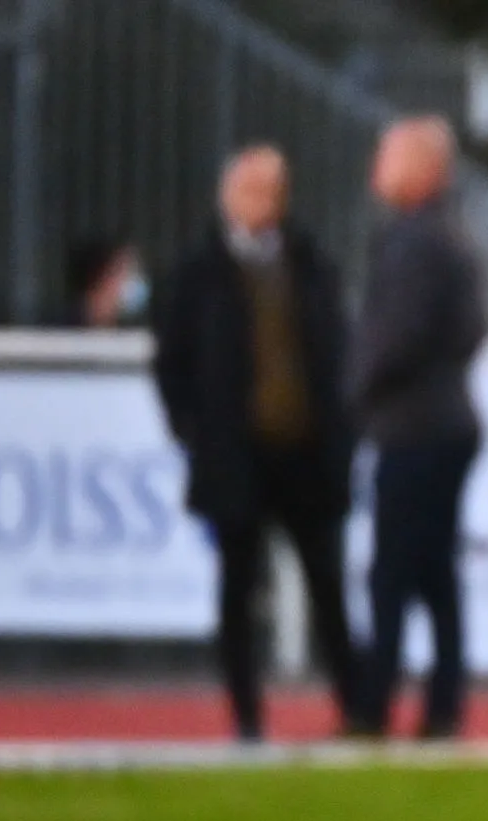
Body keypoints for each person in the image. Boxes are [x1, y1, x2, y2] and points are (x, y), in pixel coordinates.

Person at [150, 145, 360, 741]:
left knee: (328, 585)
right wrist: (197, 432)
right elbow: (172, 364)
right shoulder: (198, 273)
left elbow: (335, 348)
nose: (260, 203)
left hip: (305, 453)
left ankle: (357, 705)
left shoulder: (311, 262)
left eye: (270, 190)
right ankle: (246, 716)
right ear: (227, 197)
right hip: (235, 458)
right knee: (237, 590)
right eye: (249, 190)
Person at [351, 116, 488, 739]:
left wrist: (353, 389)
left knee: (394, 573)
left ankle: (375, 703)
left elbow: (395, 336)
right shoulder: (452, 238)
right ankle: (442, 704)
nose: (376, 169)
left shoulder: (413, 242)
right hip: (446, 418)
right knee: (434, 571)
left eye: (387, 157)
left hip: (414, 424)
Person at [66, 238, 148, 328]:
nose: (131, 280)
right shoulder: (61, 330)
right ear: (102, 276)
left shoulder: (130, 334)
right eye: (124, 271)